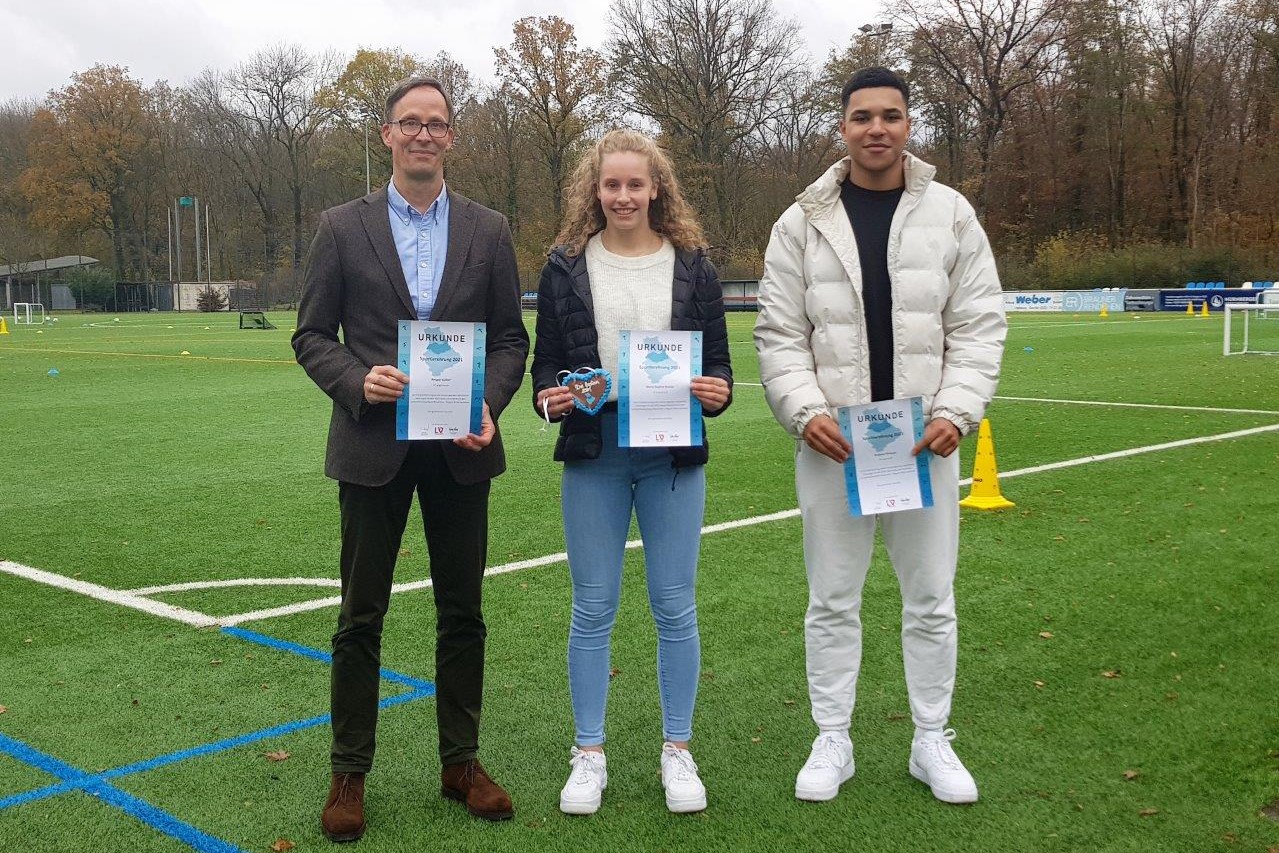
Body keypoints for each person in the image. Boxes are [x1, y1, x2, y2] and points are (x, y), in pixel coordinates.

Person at [753, 66, 1006, 806]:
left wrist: (955, 411)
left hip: (924, 444)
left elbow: (978, 324)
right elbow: (778, 333)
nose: (875, 129)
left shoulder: (950, 213)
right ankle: (832, 736)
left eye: (889, 116)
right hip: (835, 444)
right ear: (841, 127)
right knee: (831, 599)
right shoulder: (800, 220)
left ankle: (931, 737)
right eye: (861, 116)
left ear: (907, 125)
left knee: (930, 598)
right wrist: (805, 411)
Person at [292, 75, 529, 842]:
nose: (423, 134)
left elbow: (510, 339)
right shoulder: (340, 225)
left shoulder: (489, 229)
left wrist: (489, 405)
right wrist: (358, 381)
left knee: (463, 612)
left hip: (460, 450)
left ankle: (460, 763)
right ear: (387, 134)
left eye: (437, 123)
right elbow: (309, 335)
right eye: (409, 123)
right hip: (373, 447)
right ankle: (349, 772)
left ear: (452, 136)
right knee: (361, 616)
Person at [530, 129, 733, 816]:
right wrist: (549, 395)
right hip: (596, 455)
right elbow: (546, 365)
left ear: (656, 190)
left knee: (674, 605)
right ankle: (588, 752)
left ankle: (678, 748)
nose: (622, 195)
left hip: (672, 456)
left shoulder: (694, 265)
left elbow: (720, 366)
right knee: (592, 608)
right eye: (610, 184)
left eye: (634, 184)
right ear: (595, 189)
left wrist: (717, 391)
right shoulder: (563, 266)